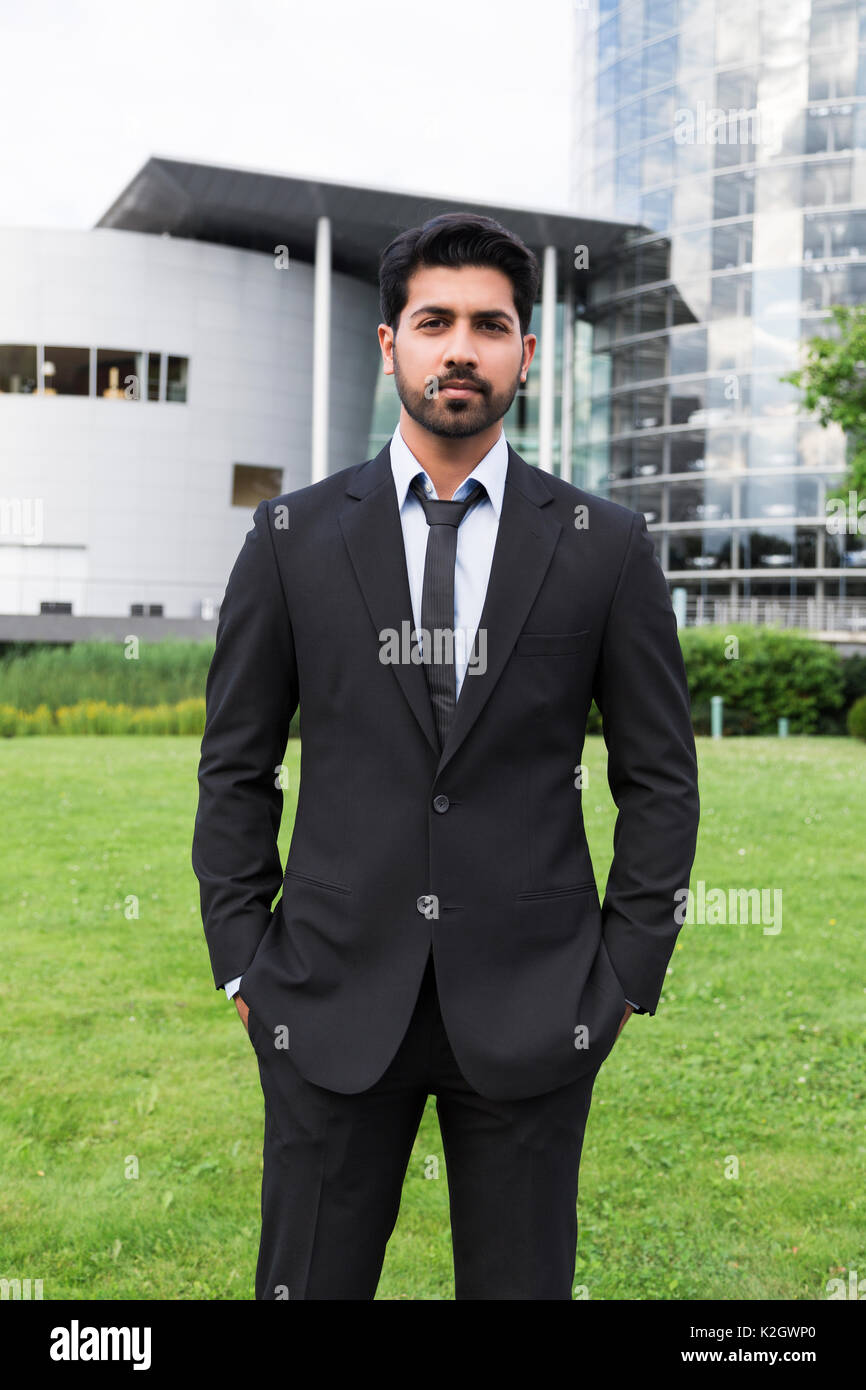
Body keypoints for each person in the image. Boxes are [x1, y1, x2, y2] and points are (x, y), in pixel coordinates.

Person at [191, 211, 700, 1300]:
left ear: (524, 351)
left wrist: (622, 977)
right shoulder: (291, 539)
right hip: (324, 996)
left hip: (536, 1004)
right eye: (433, 321)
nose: (458, 347)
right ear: (389, 345)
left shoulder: (603, 546)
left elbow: (657, 779)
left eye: (488, 323)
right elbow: (235, 765)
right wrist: (244, 961)